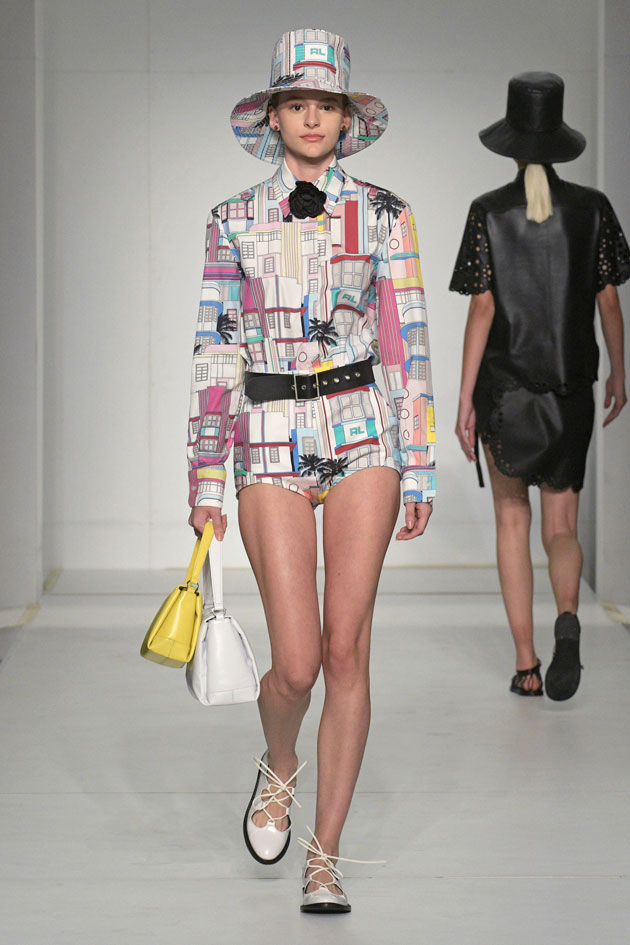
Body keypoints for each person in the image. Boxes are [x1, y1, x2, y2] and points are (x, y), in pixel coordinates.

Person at [186, 29, 435, 913]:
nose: (312, 118)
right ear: (274, 116)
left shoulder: (388, 213)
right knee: (294, 664)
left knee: (345, 648)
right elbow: (215, 349)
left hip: (364, 431)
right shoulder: (231, 218)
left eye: (325, 104)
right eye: (297, 102)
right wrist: (204, 476)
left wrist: (420, 462)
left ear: (345, 117)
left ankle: (324, 855)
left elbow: (407, 343)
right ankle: (280, 762)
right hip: (266, 431)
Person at [450, 72, 629, 701]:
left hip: (506, 393)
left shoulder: (489, 211)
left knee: (511, 520)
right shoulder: (593, 209)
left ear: (510, 142)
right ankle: (569, 622)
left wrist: (465, 397)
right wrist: (619, 370)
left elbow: (482, 309)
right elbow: (609, 301)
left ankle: (527, 664)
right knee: (561, 526)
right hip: (570, 387)